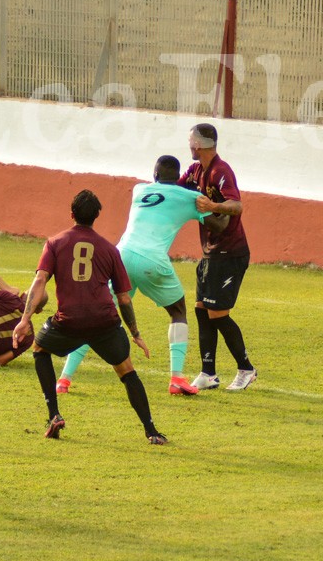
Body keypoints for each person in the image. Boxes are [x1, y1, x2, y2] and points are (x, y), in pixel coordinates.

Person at [14, 189, 167, 446]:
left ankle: (54, 415)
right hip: (104, 323)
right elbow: (124, 298)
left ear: (71, 214)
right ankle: (151, 431)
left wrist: (25, 318)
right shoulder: (109, 249)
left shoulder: (55, 243)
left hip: (69, 321)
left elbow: (40, 280)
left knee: (40, 348)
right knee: (127, 371)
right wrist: (135, 333)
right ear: (97, 216)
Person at [56, 154, 211, 397]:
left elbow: (163, 195)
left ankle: (64, 380)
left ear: (155, 174)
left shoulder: (139, 190)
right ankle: (177, 379)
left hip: (122, 256)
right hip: (152, 259)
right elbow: (218, 223)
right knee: (178, 311)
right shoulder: (190, 197)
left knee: (97, 316)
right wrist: (208, 202)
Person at [182, 123, 255, 391]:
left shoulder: (221, 171)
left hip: (230, 252)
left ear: (199, 144)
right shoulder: (195, 170)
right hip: (211, 252)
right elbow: (179, 188)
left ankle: (246, 368)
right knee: (202, 309)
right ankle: (208, 372)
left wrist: (212, 206)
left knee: (218, 313)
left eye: (191, 141)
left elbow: (236, 206)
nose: (188, 145)